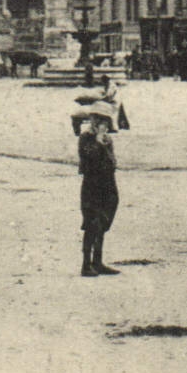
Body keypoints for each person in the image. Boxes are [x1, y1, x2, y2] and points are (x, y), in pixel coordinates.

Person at [77, 110, 120, 277]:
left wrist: (104, 143)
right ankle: (86, 264)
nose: (105, 125)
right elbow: (88, 156)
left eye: (106, 122)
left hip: (107, 182)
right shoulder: (86, 138)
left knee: (103, 220)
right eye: (101, 121)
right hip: (92, 183)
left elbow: (112, 161)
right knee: (91, 222)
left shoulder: (108, 139)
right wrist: (97, 142)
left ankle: (98, 261)